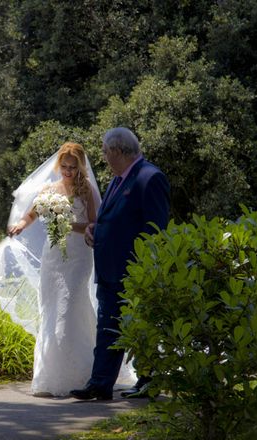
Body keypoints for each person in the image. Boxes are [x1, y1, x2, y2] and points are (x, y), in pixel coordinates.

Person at [5, 142, 119, 396]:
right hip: (54, 257)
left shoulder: (86, 190)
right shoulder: (49, 190)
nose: (68, 171)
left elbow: (93, 223)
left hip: (78, 256)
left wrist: (69, 223)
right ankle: (52, 377)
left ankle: (77, 376)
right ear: (59, 166)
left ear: (80, 167)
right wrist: (20, 226)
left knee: (68, 309)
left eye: (72, 167)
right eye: (64, 166)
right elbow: (31, 214)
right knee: (52, 310)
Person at [70, 127, 170, 401]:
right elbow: (111, 220)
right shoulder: (118, 178)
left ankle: (149, 381)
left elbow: (155, 230)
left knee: (139, 326)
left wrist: (145, 271)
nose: (103, 157)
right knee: (107, 327)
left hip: (134, 272)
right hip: (110, 270)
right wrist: (94, 230)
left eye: (105, 152)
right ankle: (100, 384)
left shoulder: (150, 177)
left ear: (116, 151)